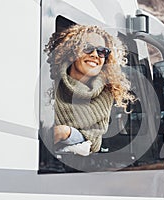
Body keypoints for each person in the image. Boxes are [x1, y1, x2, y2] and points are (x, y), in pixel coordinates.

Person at [45, 24, 135, 156]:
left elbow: (94, 141)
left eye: (102, 51)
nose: (94, 55)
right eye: (87, 48)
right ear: (71, 54)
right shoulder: (48, 83)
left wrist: (65, 132)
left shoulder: (107, 95)